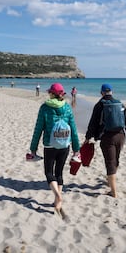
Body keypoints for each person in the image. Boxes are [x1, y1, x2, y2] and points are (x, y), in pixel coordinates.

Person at [29, 83, 80, 218]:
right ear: (62, 94)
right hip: (65, 145)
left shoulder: (45, 108)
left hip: (50, 145)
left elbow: (38, 129)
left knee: (48, 172)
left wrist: (33, 149)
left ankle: (57, 195)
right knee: (59, 173)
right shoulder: (67, 108)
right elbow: (73, 129)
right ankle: (57, 203)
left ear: (51, 93)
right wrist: (76, 149)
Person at [84, 83, 126, 198]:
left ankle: (113, 192)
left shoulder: (99, 105)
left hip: (107, 137)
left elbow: (93, 123)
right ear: (112, 92)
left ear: (101, 93)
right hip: (121, 136)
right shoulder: (120, 103)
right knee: (116, 159)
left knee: (110, 163)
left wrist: (88, 137)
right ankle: (110, 181)